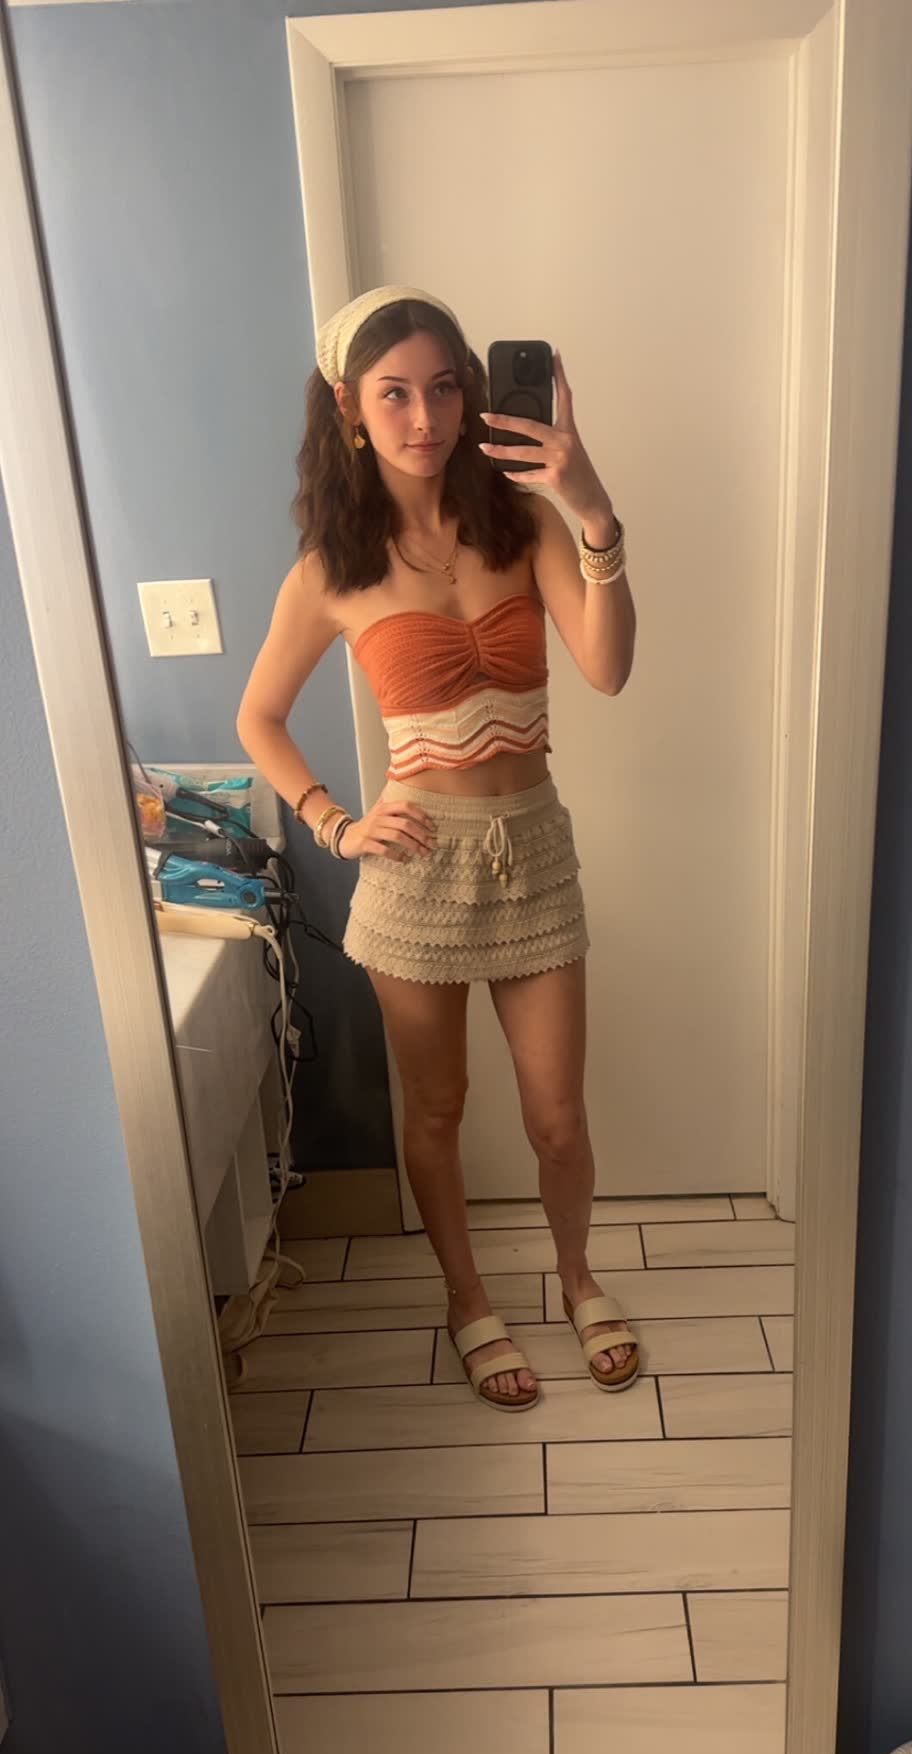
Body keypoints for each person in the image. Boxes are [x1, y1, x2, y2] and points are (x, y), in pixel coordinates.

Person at [236, 285, 640, 1412]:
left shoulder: (526, 527)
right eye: (395, 394)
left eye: (445, 387)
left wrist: (591, 508)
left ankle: (577, 1278)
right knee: (437, 1110)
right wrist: (333, 820)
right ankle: (467, 1298)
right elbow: (258, 716)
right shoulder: (332, 569)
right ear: (349, 409)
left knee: (557, 1115)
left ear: (469, 393)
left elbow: (607, 669)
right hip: (415, 871)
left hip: (533, 851)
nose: (426, 417)